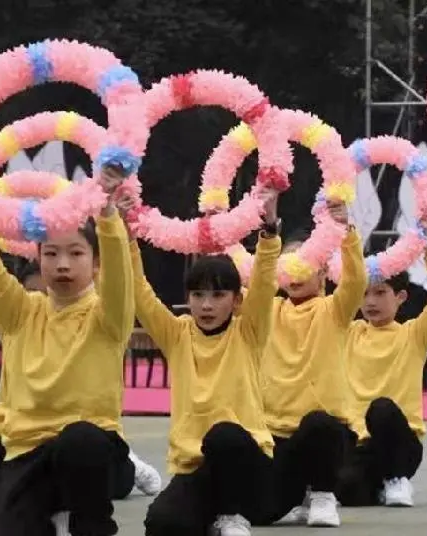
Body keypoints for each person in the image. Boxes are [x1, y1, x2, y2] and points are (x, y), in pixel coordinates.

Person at [119, 189, 300, 536]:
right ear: (188, 299)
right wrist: (126, 238)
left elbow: (263, 285)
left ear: (235, 301)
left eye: (218, 295)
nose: (206, 304)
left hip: (248, 465)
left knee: (225, 437)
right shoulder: (176, 334)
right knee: (162, 523)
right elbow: (139, 292)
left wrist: (269, 231)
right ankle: (214, 516)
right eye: (198, 295)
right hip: (196, 468)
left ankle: (234, 515)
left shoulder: (249, 331)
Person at [0, 166, 137, 536]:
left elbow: (120, 278)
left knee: (81, 440)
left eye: (75, 253)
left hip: (89, 450)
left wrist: (108, 217)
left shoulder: (108, 316)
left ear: (95, 263)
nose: (62, 264)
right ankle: (50, 515)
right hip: (26, 452)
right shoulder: (19, 312)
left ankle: (89, 524)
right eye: (51, 254)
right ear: (38, 259)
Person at [336, 217, 427, 508]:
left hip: (402, 443)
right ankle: (375, 485)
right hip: (360, 444)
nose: (370, 302)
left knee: (382, 409)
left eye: (380, 293)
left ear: (401, 296)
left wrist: (426, 250)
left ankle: (397, 478)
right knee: (348, 490)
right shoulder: (348, 333)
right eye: (364, 293)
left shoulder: (414, 335)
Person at [261, 202, 367, 528]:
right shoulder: (267, 310)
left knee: (321, 424)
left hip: (325, 433)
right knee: (262, 513)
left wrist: (346, 232)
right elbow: (256, 279)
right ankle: (296, 495)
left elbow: (355, 281)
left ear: (323, 271)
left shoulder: (333, 310)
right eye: (288, 263)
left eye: (304, 263)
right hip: (275, 434)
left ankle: (323, 494)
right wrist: (267, 230)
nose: (295, 272)